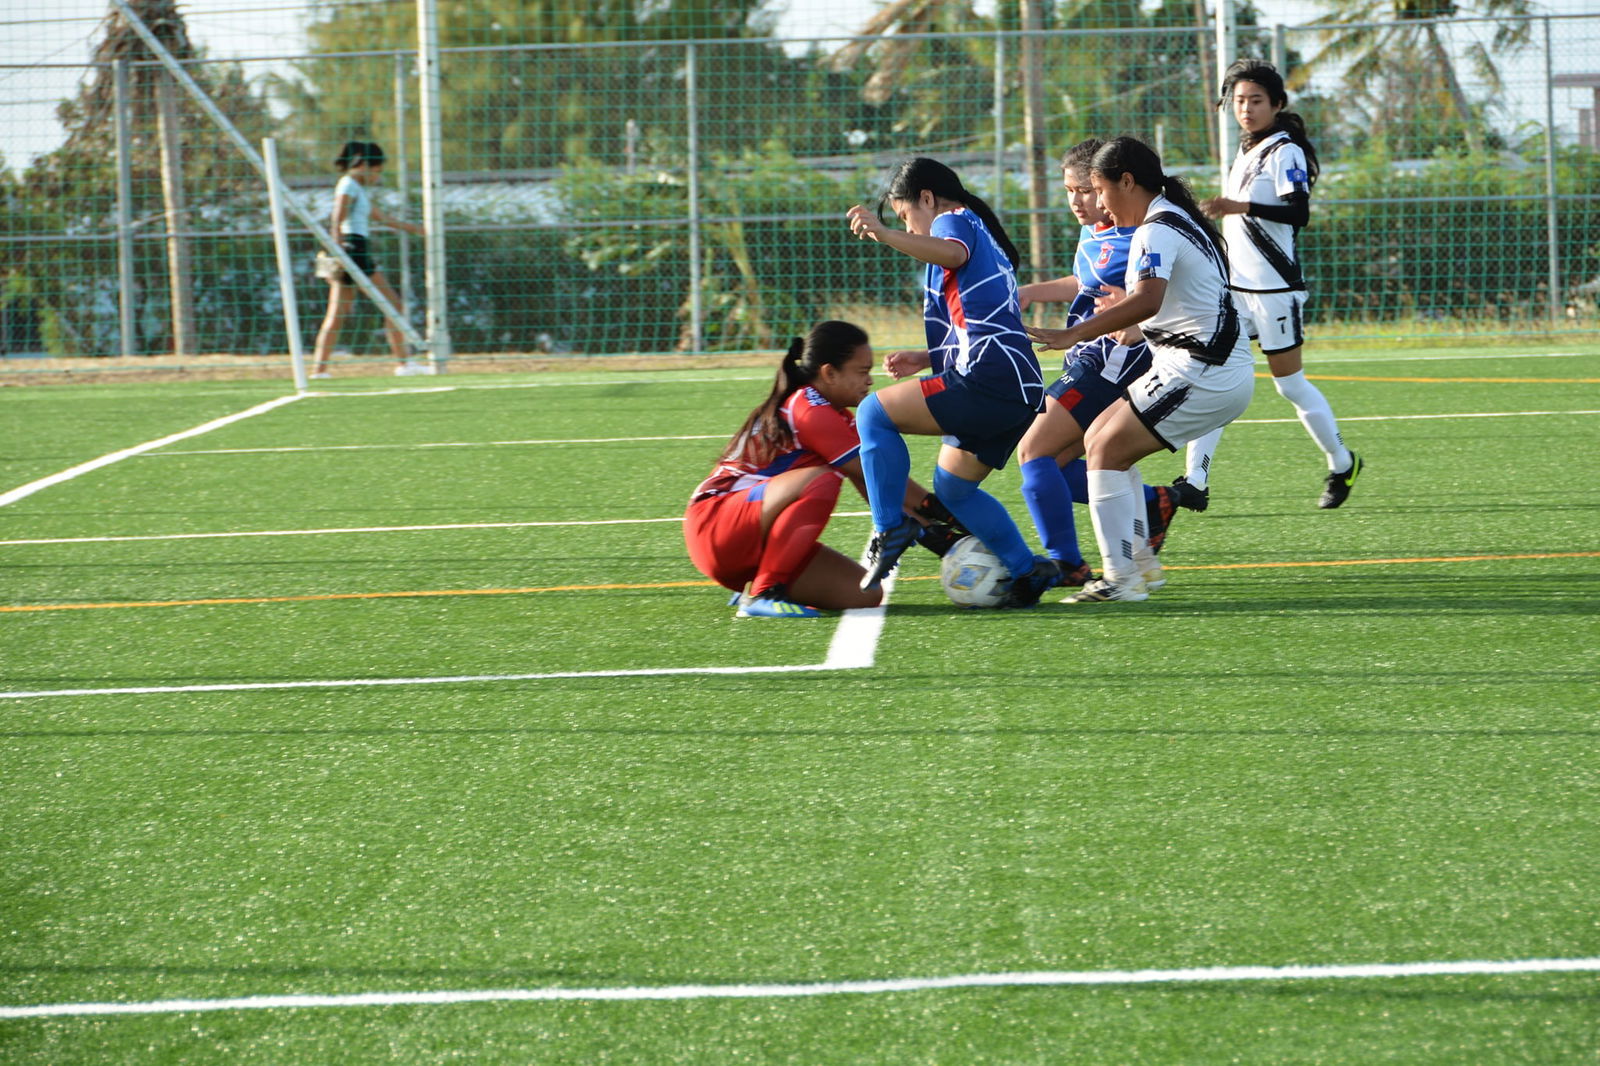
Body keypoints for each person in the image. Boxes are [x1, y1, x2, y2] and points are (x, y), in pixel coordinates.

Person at [1026, 137, 1255, 603]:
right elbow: (1167, 303)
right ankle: (1140, 565)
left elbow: (1148, 299)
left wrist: (1076, 333)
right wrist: (1138, 324)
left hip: (1203, 372)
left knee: (1106, 447)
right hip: (1191, 364)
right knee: (1102, 443)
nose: (1102, 207)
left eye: (1100, 191)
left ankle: (1120, 578)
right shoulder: (1169, 216)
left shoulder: (1156, 229)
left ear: (1126, 182)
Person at [845, 157, 1059, 609]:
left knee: (871, 413)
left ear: (926, 198)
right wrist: (925, 357)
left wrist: (884, 234)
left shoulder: (955, 220)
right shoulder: (983, 236)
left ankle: (890, 527)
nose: (911, 229)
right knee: (954, 489)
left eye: (906, 216)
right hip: (1016, 388)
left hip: (989, 379)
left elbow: (953, 252)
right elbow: (983, 321)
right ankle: (1026, 572)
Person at [684, 320, 965, 618]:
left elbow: (876, 486)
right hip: (715, 526)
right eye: (862, 372)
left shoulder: (834, 415)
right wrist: (942, 517)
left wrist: (939, 532)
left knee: (866, 594)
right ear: (829, 373)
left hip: (744, 542)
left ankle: (757, 581)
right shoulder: (808, 407)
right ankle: (766, 592)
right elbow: (870, 476)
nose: (869, 381)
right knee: (822, 480)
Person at [1182, 59, 1362, 510]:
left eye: (1256, 101)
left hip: (1275, 290)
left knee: (1290, 385)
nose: (1246, 108)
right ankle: (1194, 481)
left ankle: (1342, 463)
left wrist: (1237, 205)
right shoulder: (1245, 149)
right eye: (1239, 100)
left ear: (1277, 105)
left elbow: (1298, 213)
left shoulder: (1285, 152)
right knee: (1213, 376)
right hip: (1235, 291)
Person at [1015, 138, 1178, 589]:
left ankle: (1068, 563)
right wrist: (1031, 291)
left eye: (1086, 190)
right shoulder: (1095, 232)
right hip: (1086, 353)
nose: (1077, 201)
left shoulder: (1144, 232)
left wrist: (1136, 307)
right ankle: (1148, 504)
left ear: (1110, 185)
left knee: (1033, 451)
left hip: (1112, 360)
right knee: (1064, 466)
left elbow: (1160, 293)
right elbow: (1083, 282)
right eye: (1069, 191)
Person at [310, 141, 425, 379]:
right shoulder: (348, 185)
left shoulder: (358, 189)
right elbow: (337, 218)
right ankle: (404, 364)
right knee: (394, 304)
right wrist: (339, 252)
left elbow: (381, 217)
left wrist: (417, 229)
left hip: (355, 249)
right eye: (377, 171)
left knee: (339, 313)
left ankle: (319, 369)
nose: (377, 177)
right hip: (353, 251)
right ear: (363, 165)